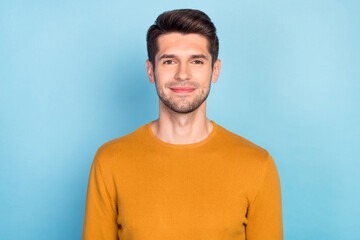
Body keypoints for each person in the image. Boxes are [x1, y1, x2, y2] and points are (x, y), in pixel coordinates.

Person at [82, 9, 283, 240]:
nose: (183, 74)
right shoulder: (110, 161)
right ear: (151, 70)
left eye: (196, 61)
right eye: (169, 61)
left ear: (214, 70)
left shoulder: (257, 165)